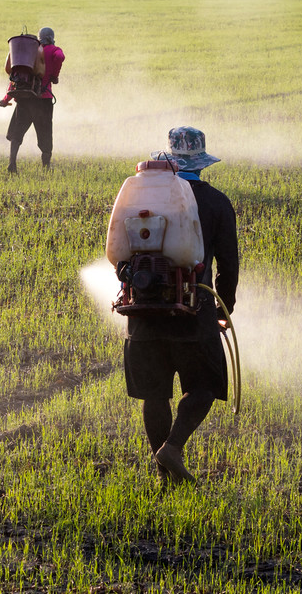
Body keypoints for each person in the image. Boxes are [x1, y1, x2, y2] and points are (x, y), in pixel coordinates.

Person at [123, 126, 239, 486]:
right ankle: (172, 448)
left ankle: (164, 473)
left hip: (142, 311)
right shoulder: (217, 202)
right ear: (201, 164)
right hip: (194, 310)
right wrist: (223, 306)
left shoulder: (140, 197)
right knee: (204, 386)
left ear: (169, 159)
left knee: (154, 394)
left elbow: (120, 252)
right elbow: (229, 264)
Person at [0, 27, 65, 172]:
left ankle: (12, 163)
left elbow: (16, 79)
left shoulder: (29, 52)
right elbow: (60, 56)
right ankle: (46, 167)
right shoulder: (53, 50)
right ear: (52, 38)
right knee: (45, 133)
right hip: (42, 99)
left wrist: (5, 99)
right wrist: (54, 75)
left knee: (17, 133)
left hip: (24, 98)